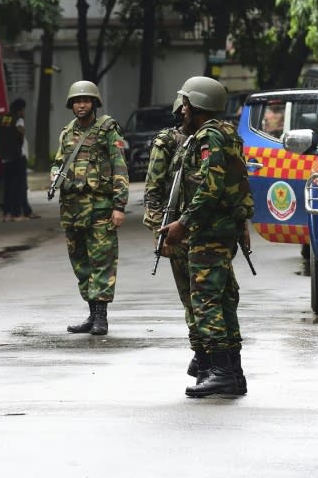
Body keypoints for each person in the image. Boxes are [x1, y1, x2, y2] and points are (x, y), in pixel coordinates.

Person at [161, 76, 253, 398]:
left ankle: (221, 372)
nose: (182, 109)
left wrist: (183, 224)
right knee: (224, 298)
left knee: (206, 300)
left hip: (208, 230)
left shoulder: (208, 138)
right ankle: (234, 373)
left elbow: (209, 189)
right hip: (222, 228)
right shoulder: (226, 133)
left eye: (185, 103)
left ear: (198, 105)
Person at [53, 81, 129, 336]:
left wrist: (119, 206)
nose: (81, 105)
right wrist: (55, 175)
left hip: (100, 208)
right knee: (81, 264)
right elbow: (58, 162)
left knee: (102, 263)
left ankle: (101, 317)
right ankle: (91, 312)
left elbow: (119, 167)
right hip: (72, 210)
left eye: (86, 101)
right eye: (77, 101)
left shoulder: (108, 130)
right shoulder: (66, 133)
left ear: (94, 103)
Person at [143, 85, 204, 382]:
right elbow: (153, 190)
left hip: (207, 231)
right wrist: (159, 231)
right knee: (190, 297)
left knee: (211, 296)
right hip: (176, 230)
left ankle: (211, 352)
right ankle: (200, 350)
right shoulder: (167, 141)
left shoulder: (212, 140)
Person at [0, 99, 26, 221]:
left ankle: (6, 214)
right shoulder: (18, 119)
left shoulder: (4, 119)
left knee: (7, 187)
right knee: (17, 187)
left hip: (5, 157)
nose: (24, 112)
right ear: (20, 110)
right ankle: (16, 214)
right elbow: (20, 132)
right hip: (16, 157)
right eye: (24, 109)